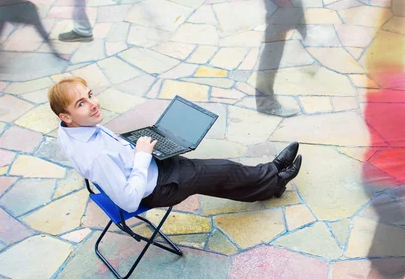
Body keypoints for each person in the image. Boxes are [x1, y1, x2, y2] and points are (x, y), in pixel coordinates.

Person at [48, 77, 303, 213]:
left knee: (217, 177)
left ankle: (271, 184)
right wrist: (141, 157)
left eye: (90, 95)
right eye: (81, 103)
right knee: (222, 171)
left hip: (149, 165)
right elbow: (128, 201)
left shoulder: (72, 130)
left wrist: (139, 149)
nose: (93, 104)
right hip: (156, 188)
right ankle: (274, 172)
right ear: (66, 116)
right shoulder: (96, 157)